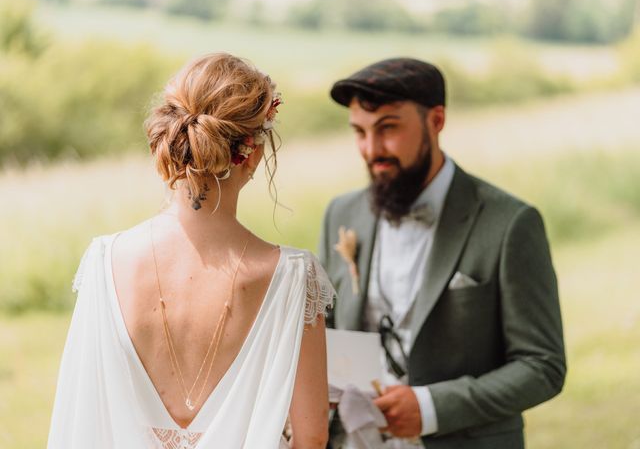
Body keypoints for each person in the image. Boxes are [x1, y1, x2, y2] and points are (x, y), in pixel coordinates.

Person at [48, 53, 333, 449]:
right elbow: (313, 436)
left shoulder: (105, 261)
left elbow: (78, 421)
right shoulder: (292, 278)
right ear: (252, 153)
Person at [318, 57, 566, 449]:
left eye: (388, 129)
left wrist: (430, 407)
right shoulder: (341, 213)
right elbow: (326, 336)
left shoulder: (510, 223)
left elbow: (543, 366)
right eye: (360, 132)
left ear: (436, 121)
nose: (371, 150)